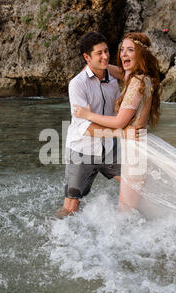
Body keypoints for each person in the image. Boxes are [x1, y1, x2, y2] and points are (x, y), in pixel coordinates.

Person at [54, 32, 140, 218]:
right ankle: (54, 235)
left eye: (107, 51)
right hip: (82, 149)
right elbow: (88, 128)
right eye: (99, 53)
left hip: (110, 148)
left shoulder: (113, 78)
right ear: (87, 57)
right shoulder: (77, 84)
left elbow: (131, 76)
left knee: (133, 183)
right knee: (71, 206)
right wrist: (122, 133)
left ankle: (130, 223)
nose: (105, 56)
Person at [73, 32, 161, 211]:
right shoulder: (140, 78)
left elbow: (120, 122)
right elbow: (113, 70)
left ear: (141, 54)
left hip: (135, 152)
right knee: (134, 209)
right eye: (122, 50)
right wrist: (89, 69)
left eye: (130, 50)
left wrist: (87, 114)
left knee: (125, 212)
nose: (123, 54)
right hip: (136, 148)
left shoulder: (137, 82)